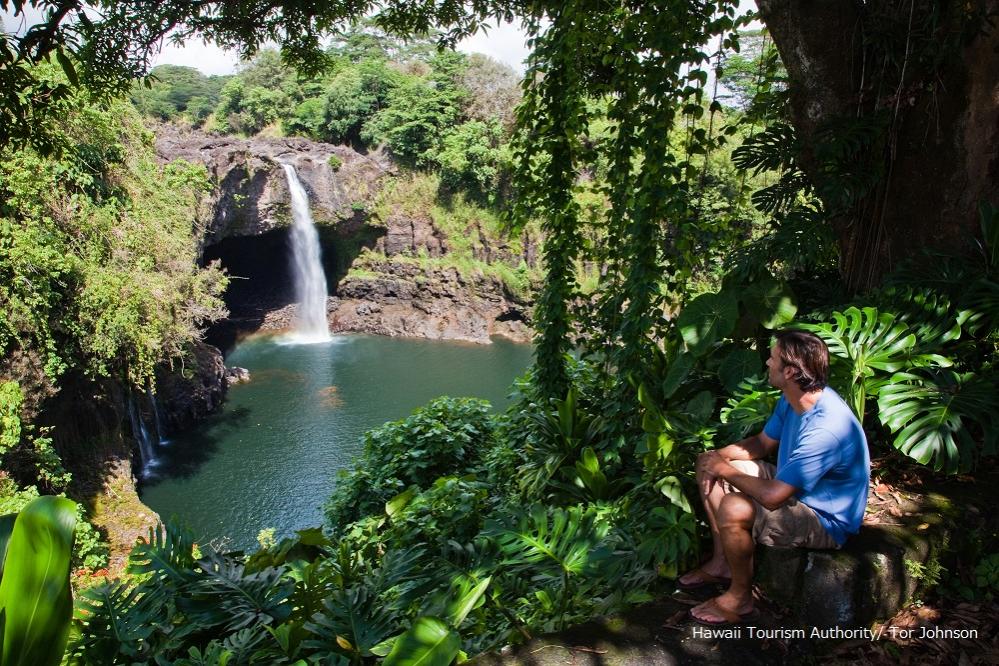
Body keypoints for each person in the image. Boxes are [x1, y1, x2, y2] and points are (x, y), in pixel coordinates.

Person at [679, 329, 870, 626]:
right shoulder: (794, 397)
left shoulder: (826, 428)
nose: (767, 362)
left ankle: (740, 599)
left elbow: (773, 497)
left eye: (773, 358)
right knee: (708, 464)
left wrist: (724, 468)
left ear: (791, 371)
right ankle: (722, 564)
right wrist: (718, 456)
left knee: (733, 505)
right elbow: (762, 444)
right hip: (793, 489)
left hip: (823, 519)